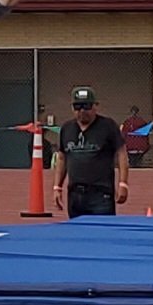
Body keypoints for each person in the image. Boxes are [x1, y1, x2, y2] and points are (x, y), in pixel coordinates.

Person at [53, 87, 129, 218]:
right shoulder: (67, 128)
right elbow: (62, 158)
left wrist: (123, 183)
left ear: (95, 106)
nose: (82, 111)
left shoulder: (108, 126)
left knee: (102, 228)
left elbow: (121, 153)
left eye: (86, 106)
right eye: (77, 107)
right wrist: (57, 187)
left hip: (100, 193)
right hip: (75, 194)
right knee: (77, 229)